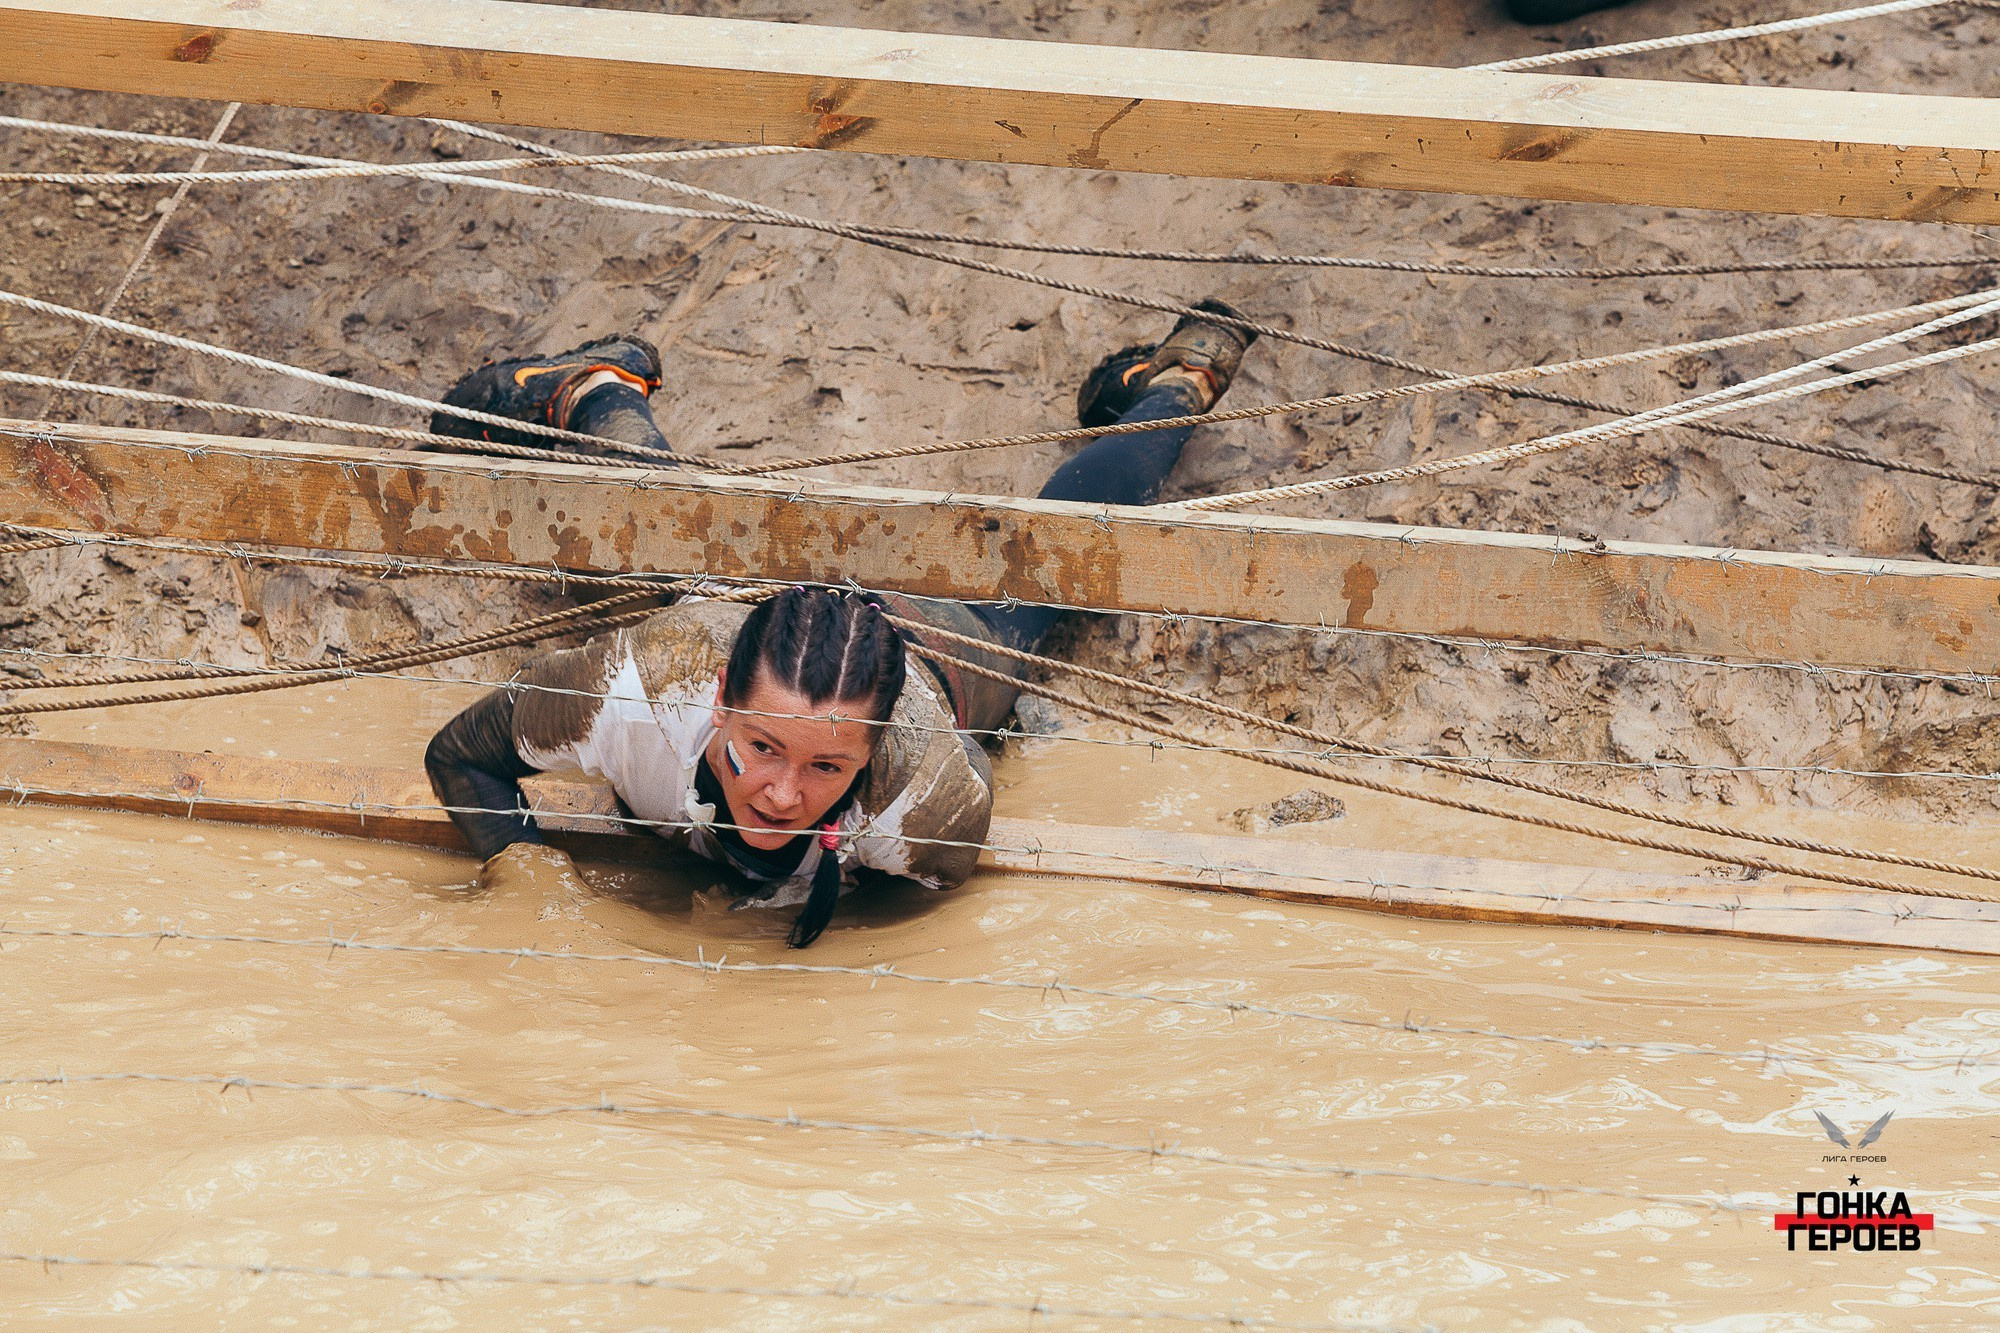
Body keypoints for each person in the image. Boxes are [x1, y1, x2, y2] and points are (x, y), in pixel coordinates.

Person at [423, 301, 1256, 946]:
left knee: (1052, 575)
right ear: (718, 700)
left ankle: (1177, 383)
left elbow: (940, 833)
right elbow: (461, 754)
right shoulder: (638, 685)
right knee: (653, 541)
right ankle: (596, 386)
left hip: (933, 644)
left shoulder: (924, 802)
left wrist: (825, 895)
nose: (783, 794)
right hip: (740, 602)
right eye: (761, 747)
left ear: (874, 747)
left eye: (825, 764)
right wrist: (530, 881)